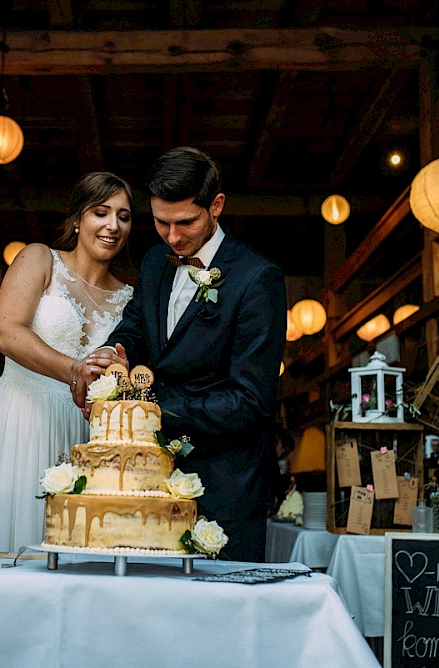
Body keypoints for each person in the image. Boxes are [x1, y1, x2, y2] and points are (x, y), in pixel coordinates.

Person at [70, 147, 286, 562]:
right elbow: (136, 325)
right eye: (160, 222)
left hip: (224, 486)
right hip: (149, 483)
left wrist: (149, 412)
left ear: (216, 206)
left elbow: (251, 402)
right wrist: (108, 351)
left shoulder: (258, 279)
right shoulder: (155, 262)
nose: (172, 236)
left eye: (185, 222)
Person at [0, 172, 135, 554]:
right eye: (101, 212)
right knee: (14, 550)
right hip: (21, 422)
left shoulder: (130, 299)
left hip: (84, 435)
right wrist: (74, 369)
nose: (112, 225)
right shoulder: (40, 259)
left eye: (123, 217)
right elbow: (6, 332)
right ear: (77, 219)